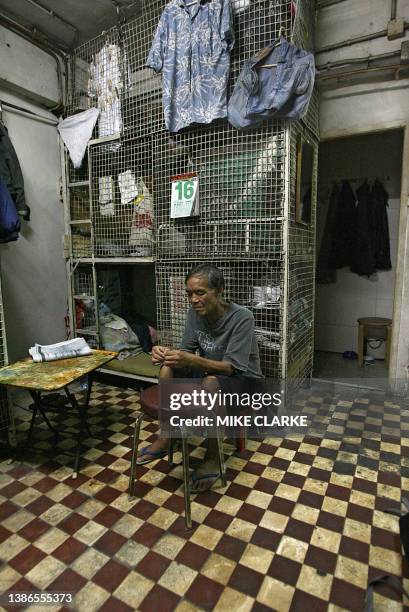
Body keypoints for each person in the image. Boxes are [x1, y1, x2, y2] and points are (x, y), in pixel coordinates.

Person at [137, 263, 264, 492]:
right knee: (168, 367)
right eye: (189, 294)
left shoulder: (242, 317)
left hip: (245, 379)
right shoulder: (194, 314)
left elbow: (232, 367)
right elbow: (186, 351)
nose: (193, 300)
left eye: (200, 292)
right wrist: (167, 353)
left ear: (219, 290)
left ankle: (213, 456)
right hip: (211, 371)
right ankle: (168, 435)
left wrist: (193, 360)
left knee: (211, 382)